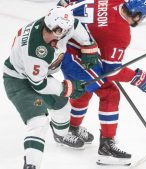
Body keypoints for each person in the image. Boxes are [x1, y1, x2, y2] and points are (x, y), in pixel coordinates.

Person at [57, 0, 146, 165]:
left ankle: (70, 127)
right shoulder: (120, 33)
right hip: (70, 52)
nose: (141, 20)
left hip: (64, 42)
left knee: (88, 86)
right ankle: (106, 148)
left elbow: (66, 3)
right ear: (136, 15)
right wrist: (137, 77)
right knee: (109, 91)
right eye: (142, 17)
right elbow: (112, 71)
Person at [3, 6, 101, 169]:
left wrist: (88, 44)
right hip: (18, 81)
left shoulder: (58, 25)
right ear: (54, 28)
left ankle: (62, 135)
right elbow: (39, 84)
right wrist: (67, 87)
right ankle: (31, 165)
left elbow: (74, 24)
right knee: (39, 122)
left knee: (62, 106)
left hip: (37, 75)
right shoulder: (36, 51)